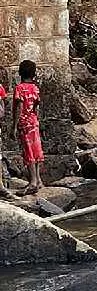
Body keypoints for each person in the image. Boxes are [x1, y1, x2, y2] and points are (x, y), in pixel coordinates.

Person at [12, 60, 43, 195]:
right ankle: (39, 179)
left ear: (20, 73)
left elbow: (18, 108)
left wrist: (13, 126)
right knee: (36, 150)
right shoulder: (35, 88)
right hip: (33, 121)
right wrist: (36, 120)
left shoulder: (19, 88)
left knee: (28, 151)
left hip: (24, 123)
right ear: (34, 73)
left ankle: (33, 182)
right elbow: (37, 106)